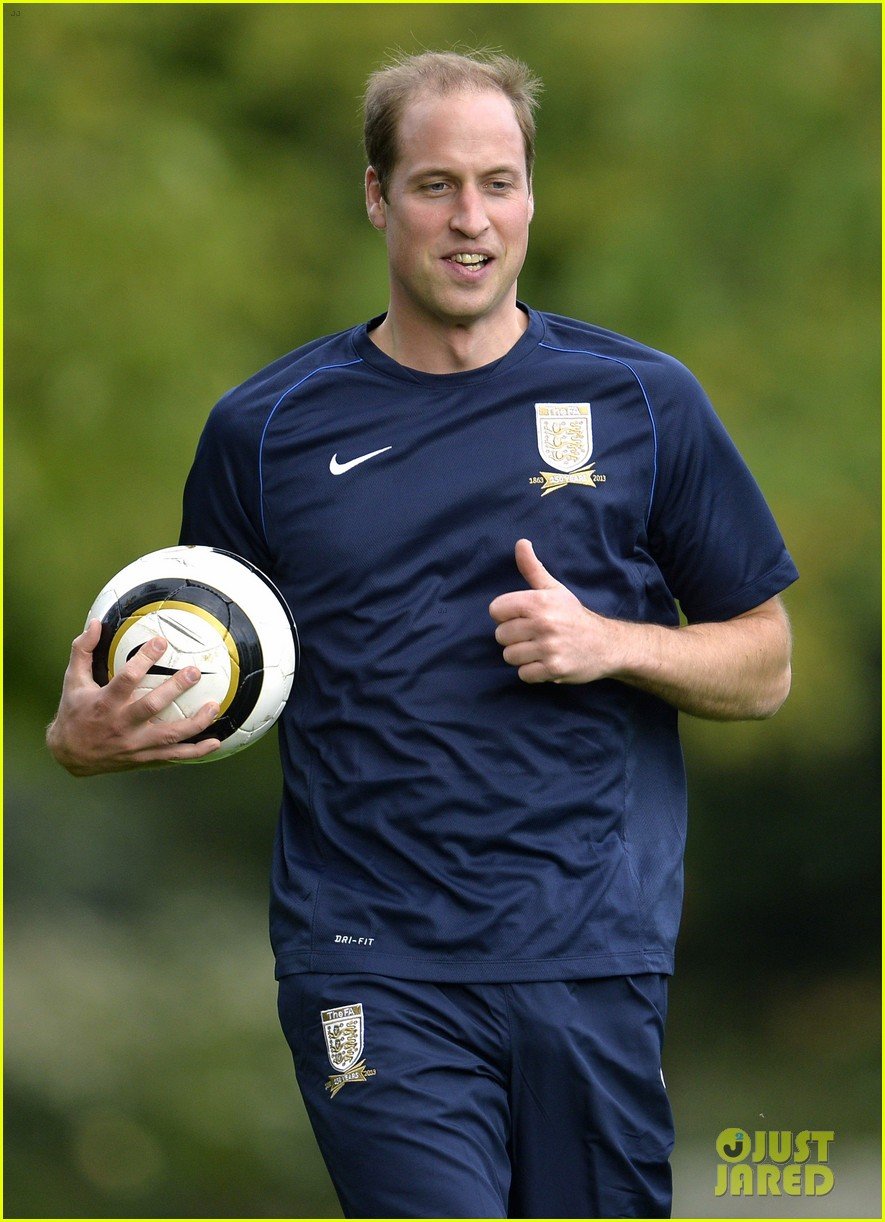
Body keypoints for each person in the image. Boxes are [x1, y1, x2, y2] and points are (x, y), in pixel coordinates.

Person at [47, 49, 798, 1219]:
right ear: (375, 196)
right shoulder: (264, 431)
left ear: (532, 198)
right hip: (368, 954)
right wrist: (91, 738)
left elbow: (765, 661)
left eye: (498, 183)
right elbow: (204, 662)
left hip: (589, 950)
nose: (472, 219)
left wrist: (616, 643)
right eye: (436, 184)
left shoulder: (644, 402)